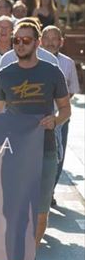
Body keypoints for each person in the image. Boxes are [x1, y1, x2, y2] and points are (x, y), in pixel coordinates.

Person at [0, 21, 71, 260]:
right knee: (15, 208)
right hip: (13, 150)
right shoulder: (6, 73)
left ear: (37, 43)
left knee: (40, 211)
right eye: (16, 41)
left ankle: (29, 257)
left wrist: (55, 120)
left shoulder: (51, 72)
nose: (20, 44)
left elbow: (65, 108)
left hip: (44, 149)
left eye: (26, 40)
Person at [40, 26, 81, 204]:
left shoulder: (68, 63)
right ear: (40, 41)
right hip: (37, 116)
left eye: (54, 38)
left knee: (58, 153)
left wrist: (60, 106)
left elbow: (72, 90)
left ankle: (50, 191)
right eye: (46, 38)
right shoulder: (34, 59)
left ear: (61, 42)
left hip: (60, 117)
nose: (50, 42)